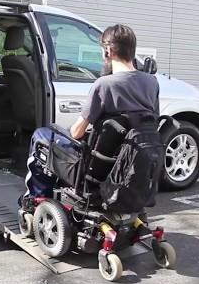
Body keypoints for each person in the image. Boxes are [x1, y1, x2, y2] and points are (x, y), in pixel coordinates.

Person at [21, 23, 160, 203]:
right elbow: (151, 121)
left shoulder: (104, 85)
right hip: (129, 163)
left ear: (108, 51)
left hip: (96, 167)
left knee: (41, 135)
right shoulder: (152, 82)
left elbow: (76, 133)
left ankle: (37, 197)